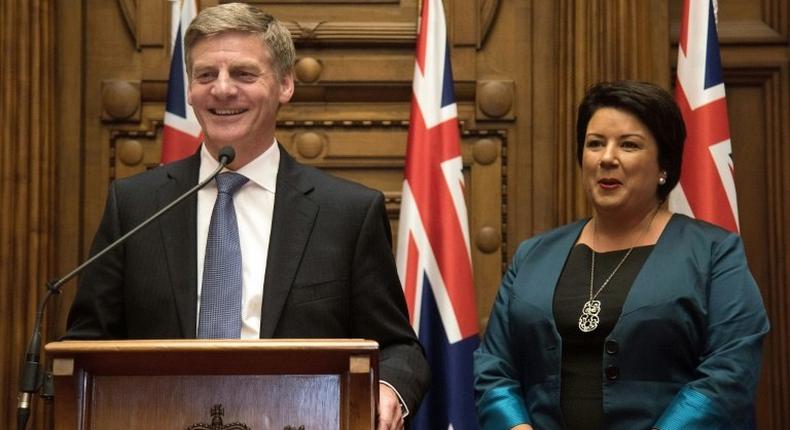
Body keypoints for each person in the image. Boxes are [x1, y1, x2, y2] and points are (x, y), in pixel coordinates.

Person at [65, 3, 429, 429]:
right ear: (190, 87)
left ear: (285, 84)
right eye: (206, 75)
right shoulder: (135, 206)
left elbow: (399, 349)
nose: (221, 89)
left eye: (243, 74)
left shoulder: (347, 213)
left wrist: (390, 388)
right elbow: (86, 345)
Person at [473, 80, 769, 430]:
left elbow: (730, 371)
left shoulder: (714, 253)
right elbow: (494, 366)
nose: (607, 158)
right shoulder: (534, 255)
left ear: (664, 166)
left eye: (628, 145)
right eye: (595, 144)